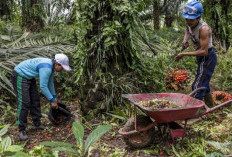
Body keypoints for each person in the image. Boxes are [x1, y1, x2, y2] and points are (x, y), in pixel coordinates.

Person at [12, 54, 71, 140]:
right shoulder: (46, 68)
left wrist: (54, 96)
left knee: (35, 100)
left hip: (29, 77)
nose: (62, 70)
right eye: (62, 67)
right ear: (57, 64)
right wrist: (52, 100)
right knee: (24, 102)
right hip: (21, 75)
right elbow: (43, 87)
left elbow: (50, 83)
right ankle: (21, 129)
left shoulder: (51, 67)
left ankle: (37, 123)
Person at [174, 1, 217, 106]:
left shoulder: (204, 29)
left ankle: (193, 112)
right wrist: (185, 40)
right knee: (204, 84)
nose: (188, 22)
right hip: (200, 58)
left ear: (199, 18)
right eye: (187, 19)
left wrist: (184, 54)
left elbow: (204, 51)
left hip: (207, 57)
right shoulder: (190, 21)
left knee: (197, 86)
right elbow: (187, 29)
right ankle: (211, 108)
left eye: (191, 20)